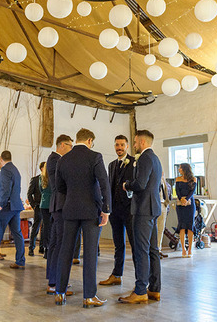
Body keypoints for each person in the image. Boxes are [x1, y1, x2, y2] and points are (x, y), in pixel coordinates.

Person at [55, 128, 111, 308]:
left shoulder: (63, 159)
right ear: (89, 140)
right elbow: (104, 184)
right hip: (90, 211)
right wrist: (106, 209)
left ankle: (59, 292)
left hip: (69, 210)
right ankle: (89, 296)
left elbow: (60, 187)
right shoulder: (95, 157)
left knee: (66, 251)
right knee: (90, 253)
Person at [119, 130, 162, 304]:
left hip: (143, 210)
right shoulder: (156, 159)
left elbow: (140, 184)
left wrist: (126, 184)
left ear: (142, 142)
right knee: (153, 251)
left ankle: (140, 290)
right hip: (152, 209)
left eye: (135, 142)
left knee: (141, 251)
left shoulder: (144, 158)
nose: (134, 145)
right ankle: (154, 289)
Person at [99, 135, 135, 286]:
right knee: (118, 244)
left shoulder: (134, 162)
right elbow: (108, 187)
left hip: (130, 210)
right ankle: (116, 275)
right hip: (115, 211)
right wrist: (107, 208)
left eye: (122, 145)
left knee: (135, 245)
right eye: (116, 145)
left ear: (127, 146)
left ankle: (140, 281)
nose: (119, 148)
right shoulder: (112, 165)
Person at [46, 134, 73, 295]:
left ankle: (54, 279)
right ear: (62, 145)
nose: (71, 149)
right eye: (70, 146)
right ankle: (55, 282)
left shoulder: (55, 159)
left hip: (58, 206)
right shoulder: (56, 160)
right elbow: (61, 184)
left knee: (56, 244)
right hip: (60, 205)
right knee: (60, 244)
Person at [175, 163, 196, 258]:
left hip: (190, 205)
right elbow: (177, 191)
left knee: (190, 226)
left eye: (180, 168)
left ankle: (190, 249)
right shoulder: (178, 179)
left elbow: (192, 191)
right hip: (180, 204)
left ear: (184, 169)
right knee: (182, 226)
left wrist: (186, 199)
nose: (179, 169)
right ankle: (183, 249)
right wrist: (181, 199)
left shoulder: (193, 179)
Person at [27, 163, 44, 256]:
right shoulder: (35, 179)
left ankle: (42, 247)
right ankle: (31, 248)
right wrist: (33, 205)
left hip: (47, 207)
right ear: (42, 168)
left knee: (45, 228)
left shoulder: (49, 180)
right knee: (36, 228)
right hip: (38, 206)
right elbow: (29, 194)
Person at [156, 173, 172, 259]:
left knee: (161, 229)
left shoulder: (167, 184)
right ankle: (154, 251)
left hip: (164, 206)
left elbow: (169, 196)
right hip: (156, 205)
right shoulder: (154, 182)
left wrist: (167, 205)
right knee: (154, 229)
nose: (162, 175)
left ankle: (159, 249)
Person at [39, 162, 52, 260]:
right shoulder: (53, 176)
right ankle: (50, 249)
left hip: (43, 204)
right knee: (52, 228)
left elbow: (41, 190)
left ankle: (46, 249)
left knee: (46, 227)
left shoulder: (41, 177)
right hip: (52, 204)